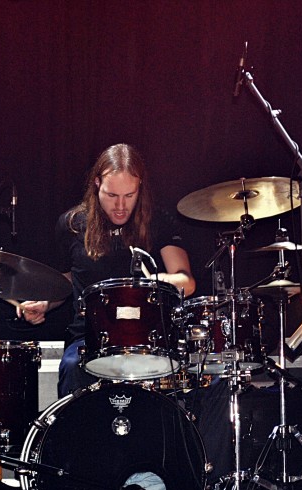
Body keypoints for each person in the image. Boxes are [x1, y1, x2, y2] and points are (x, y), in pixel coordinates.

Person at [16, 143, 196, 396]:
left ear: (140, 187)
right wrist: (46, 303)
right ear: (97, 184)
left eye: (129, 195)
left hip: (147, 339)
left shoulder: (157, 221)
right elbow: (67, 282)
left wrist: (161, 279)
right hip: (89, 338)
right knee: (72, 366)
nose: (120, 205)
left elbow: (187, 282)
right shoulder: (72, 225)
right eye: (112, 195)